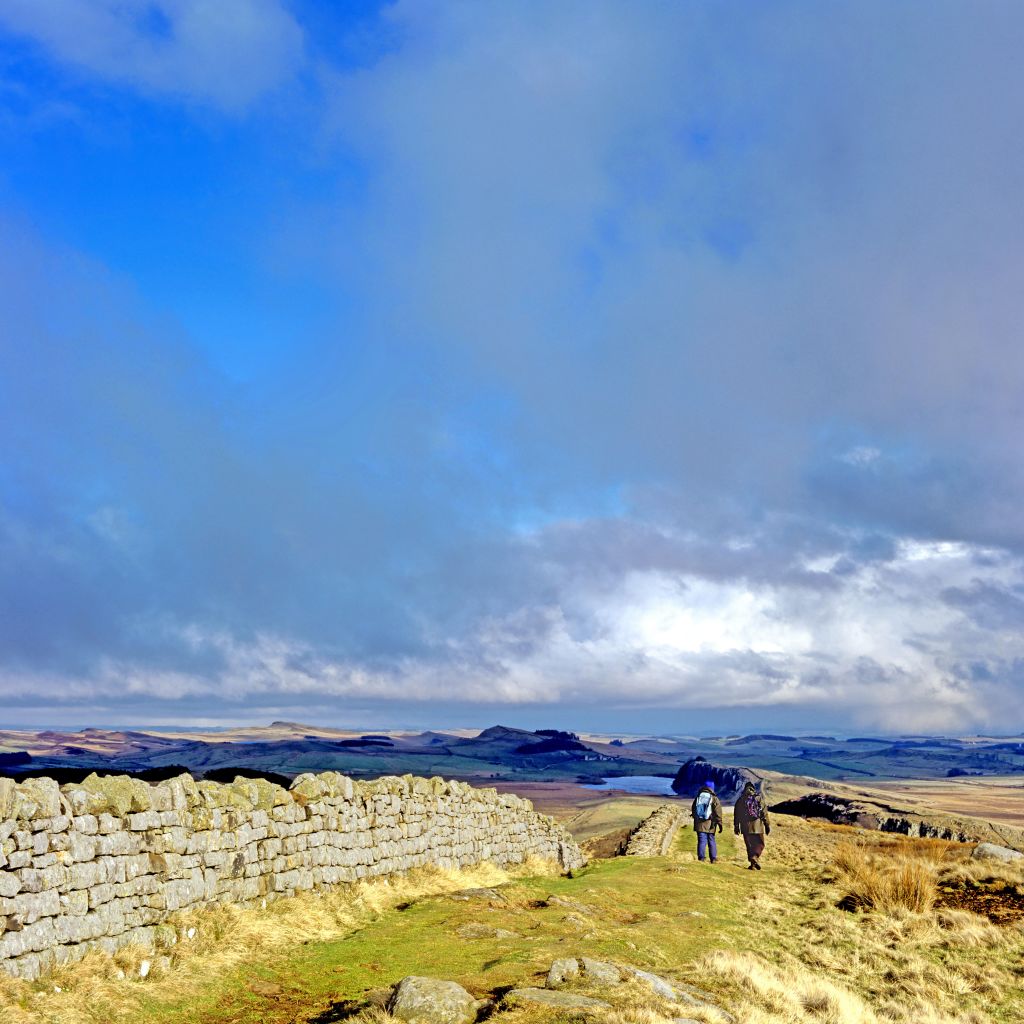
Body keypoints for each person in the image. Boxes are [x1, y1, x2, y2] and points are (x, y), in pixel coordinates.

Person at [734, 780, 770, 870]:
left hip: (745, 826)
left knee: (749, 846)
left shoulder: (741, 799)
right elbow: (764, 812)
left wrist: (736, 826)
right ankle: (755, 858)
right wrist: (767, 825)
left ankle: (753, 864)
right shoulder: (758, 798)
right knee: (760, 844)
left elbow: (737, 814)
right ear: (753, 789)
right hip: (758, 826)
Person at [690, 779, 723, 863]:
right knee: (711, 840)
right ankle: (713, 858)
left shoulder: (698, 797)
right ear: (712, 788)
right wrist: (719, 823)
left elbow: (694, 810)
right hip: (711, 824)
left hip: (699, 824)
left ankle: (701, 858)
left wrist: (697, 818)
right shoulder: (714, 798)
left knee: (701, 840)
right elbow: (718, 812)